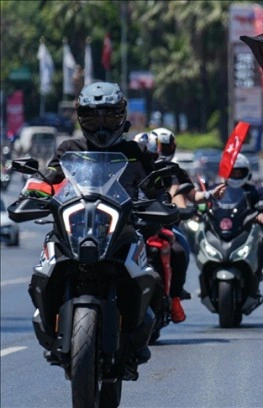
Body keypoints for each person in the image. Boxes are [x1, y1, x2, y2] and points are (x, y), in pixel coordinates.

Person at [22, 82, 159, 374]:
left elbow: (156, 187)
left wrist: (163, 202)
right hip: (74, 228)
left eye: (109, 116)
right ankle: (50, 321)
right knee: (43, 270)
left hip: (122, 230)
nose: (101, 124)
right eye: (93, 116)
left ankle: (137, 335)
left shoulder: (134, 152)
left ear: (122, 116)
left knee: (151, 274)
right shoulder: (69, 149)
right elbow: (47, 177)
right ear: (80, 118)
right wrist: (33, 192)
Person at [144, 127, 225, 323]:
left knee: (180, 250)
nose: (161, 151)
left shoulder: (175, 172)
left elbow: (192, 195)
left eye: (166, 147)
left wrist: (210, 195)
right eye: (159, 147)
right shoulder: (139, 166)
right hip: (139, 222)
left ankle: (175, 297)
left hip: (164, 225)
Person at [217, 153, 263, 288]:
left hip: (245, 229)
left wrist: (261, 213)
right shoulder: (218, 189)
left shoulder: (253, 191)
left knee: (262, 242)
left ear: (246, 173)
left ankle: (257, 272)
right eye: (232, 172)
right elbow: (208, 202)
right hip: (223, 228)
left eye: (239, 172)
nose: (236, 175)